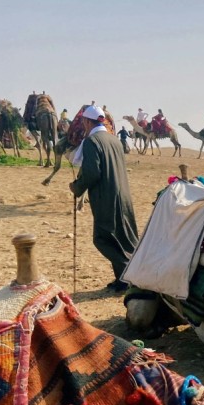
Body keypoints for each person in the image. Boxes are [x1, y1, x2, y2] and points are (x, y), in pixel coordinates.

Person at [69, 105, 138, 292]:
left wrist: (77, 187)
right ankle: (123, 280)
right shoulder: (114, 140)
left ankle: (128, 270)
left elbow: (92, 173)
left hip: (106, 197)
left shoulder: (92, 141)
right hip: (123, 195)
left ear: (87, 121)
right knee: (123, 238)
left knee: (102, 239)